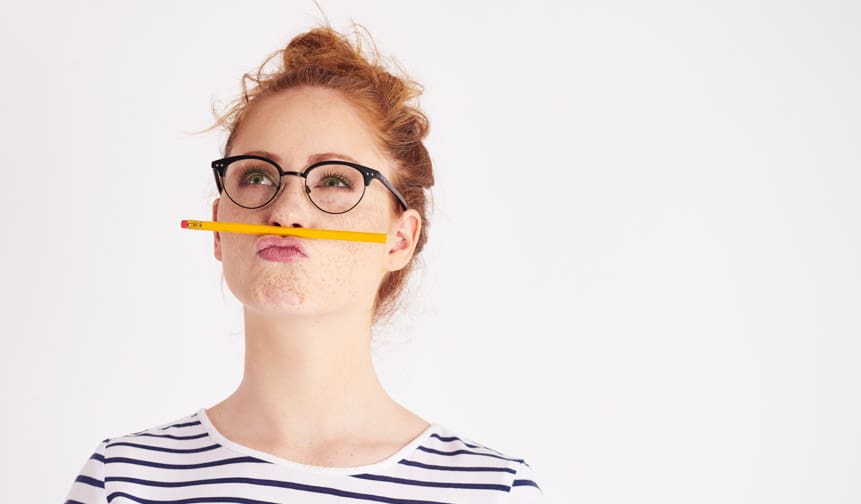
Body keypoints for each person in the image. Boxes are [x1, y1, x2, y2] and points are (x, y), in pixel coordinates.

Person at [64, 23, 543, 503]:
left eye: (335, 180)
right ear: (218, 226)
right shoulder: (123, 480)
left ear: (399, 238)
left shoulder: (493, 492)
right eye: (255, 175)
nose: (286, 212)